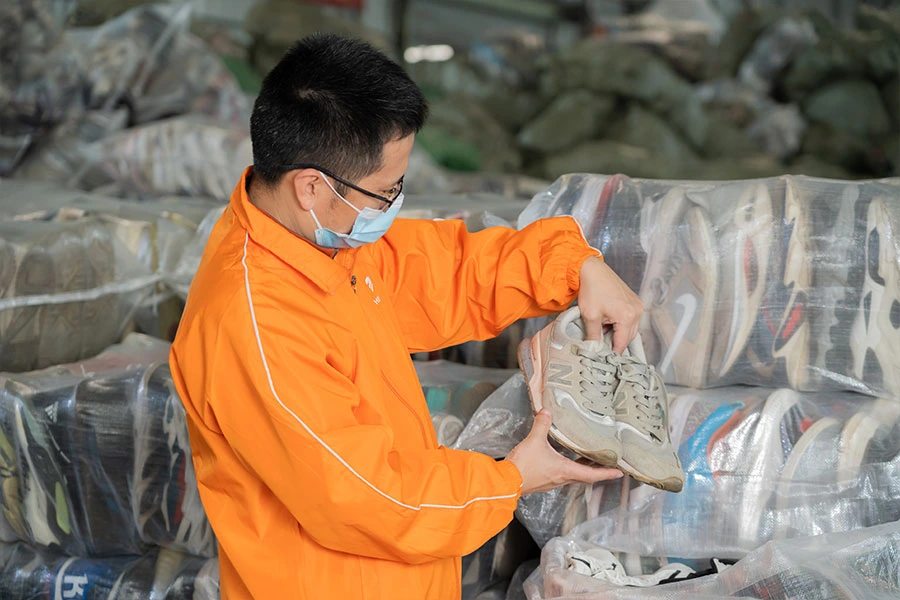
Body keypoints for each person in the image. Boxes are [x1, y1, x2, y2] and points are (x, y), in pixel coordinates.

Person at [169, 33, 643, 599]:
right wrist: (512, 478)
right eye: (384, 190)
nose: (392, 206)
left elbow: (448, 273)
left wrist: (574, 268)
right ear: (310, 187)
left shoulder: (328, 245)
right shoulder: (256, 325)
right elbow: (370, 498)